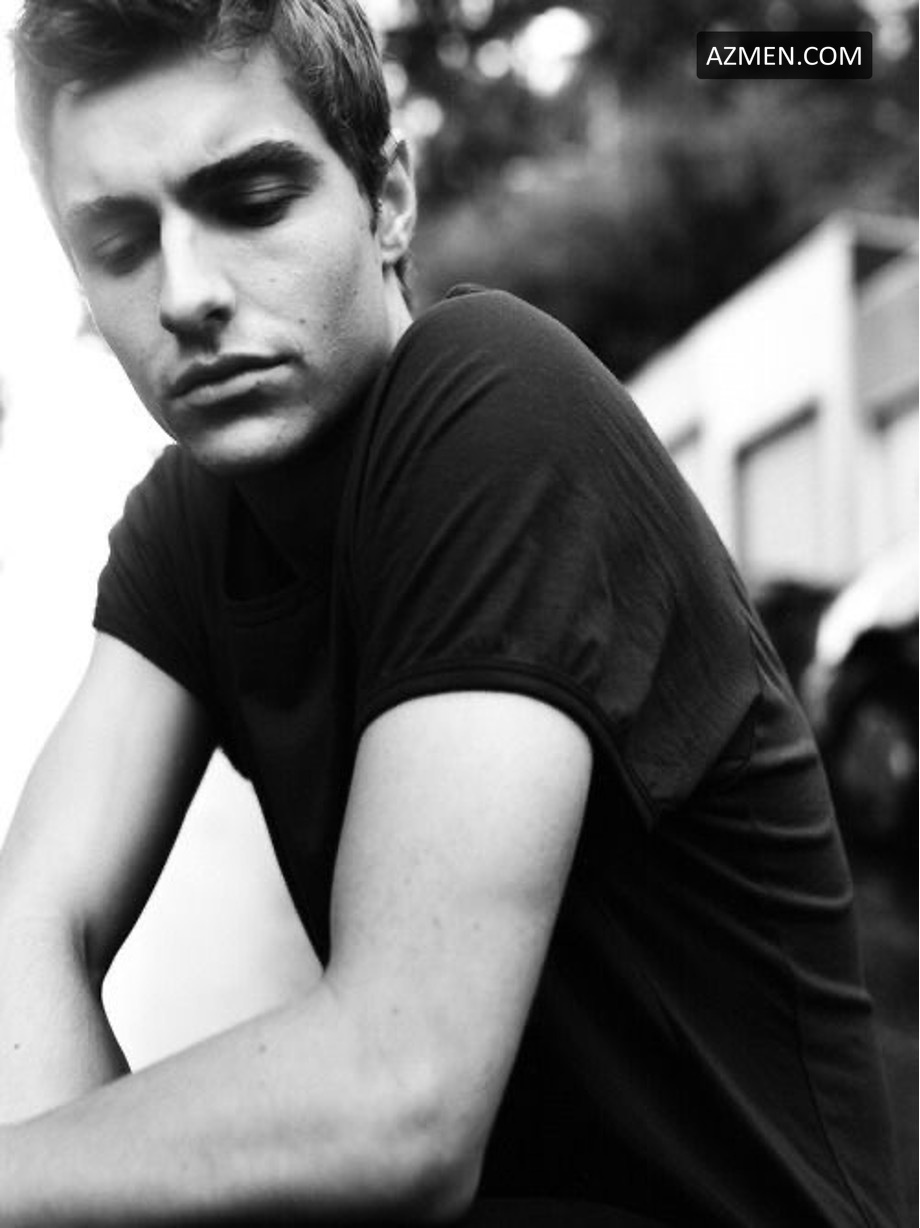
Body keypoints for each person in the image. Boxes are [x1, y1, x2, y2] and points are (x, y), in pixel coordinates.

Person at [0, 2, 905, 1225]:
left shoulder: (497, 403)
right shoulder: (192, 521)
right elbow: (32, 924)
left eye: (252, 202)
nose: (187, 294)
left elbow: (398, 1096)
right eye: (119, 243)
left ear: (386, 201)